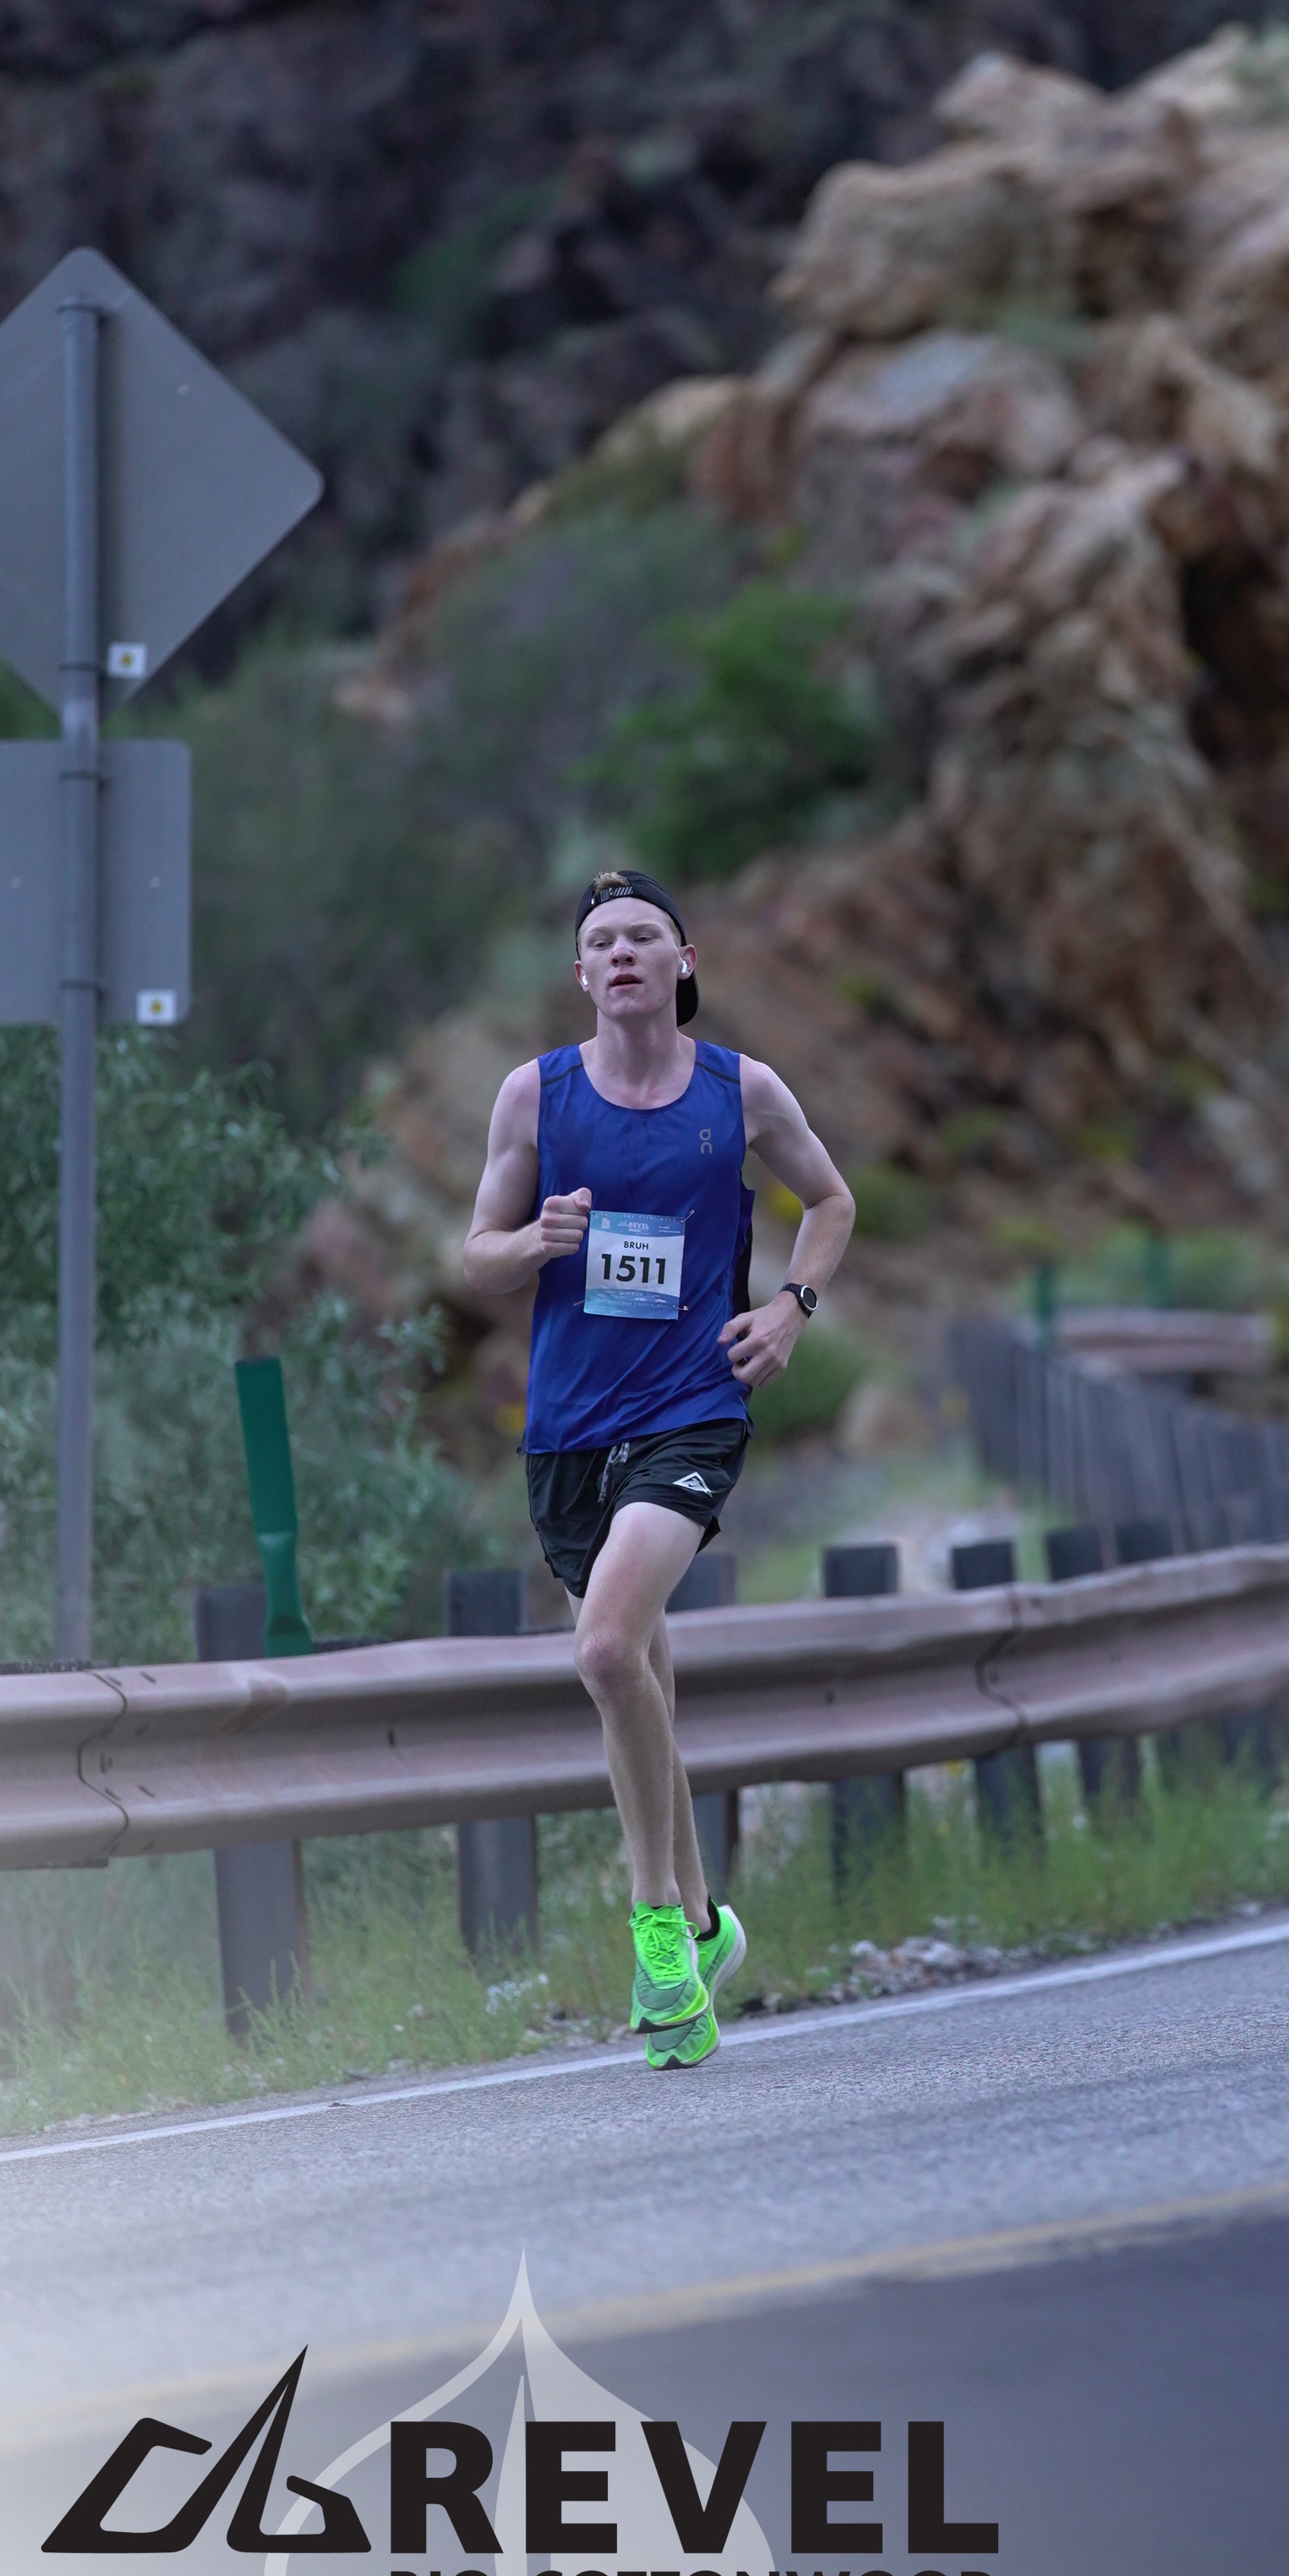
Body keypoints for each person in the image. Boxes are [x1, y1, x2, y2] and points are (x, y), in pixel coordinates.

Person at [462, 868, 855, 2070]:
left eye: (644, 936)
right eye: (602, 941)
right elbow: (476, 1256)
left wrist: (789, 1310)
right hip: (569, 1428)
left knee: (602, 1652)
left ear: (684, 962)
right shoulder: (536, 1096)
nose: (623, 952)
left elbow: (831, 1202)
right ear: (580, 974)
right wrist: (534, 1240)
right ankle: (703, 1924)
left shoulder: (742, 1091)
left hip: (692, 1408)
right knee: (642, 1679)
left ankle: (652, 1932)